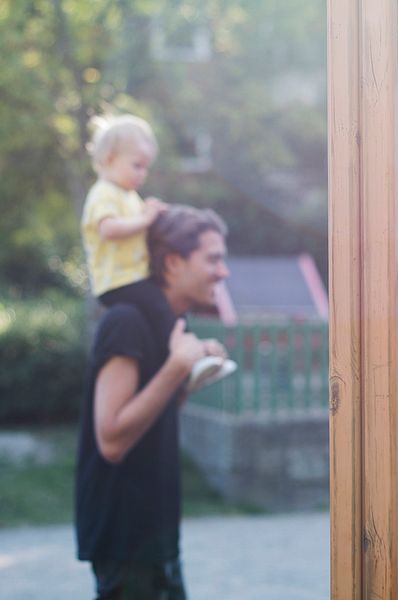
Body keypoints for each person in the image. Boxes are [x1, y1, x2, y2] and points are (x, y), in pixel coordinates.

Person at [75, 205, 230, 599]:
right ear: (173, 263)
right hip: (124, 538)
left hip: (157, 532)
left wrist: (190, 379)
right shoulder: (125, 320)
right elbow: (111, 441)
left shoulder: (174, 326)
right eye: (213, 259)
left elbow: (150, 416)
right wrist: (177, 368)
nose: (223, 272)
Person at [81, 114, 228, 390]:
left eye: (145, 168)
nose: (142, 174)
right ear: (110, 159)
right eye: (137, 165)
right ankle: (187, 361)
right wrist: (144, 220)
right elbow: (108, 229)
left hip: (133, 277)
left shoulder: (126, 195)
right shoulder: (103, 193)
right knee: (161, 309)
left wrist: (152, 213)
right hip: (118, 280)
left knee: (171, 313)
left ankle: (191, 360)